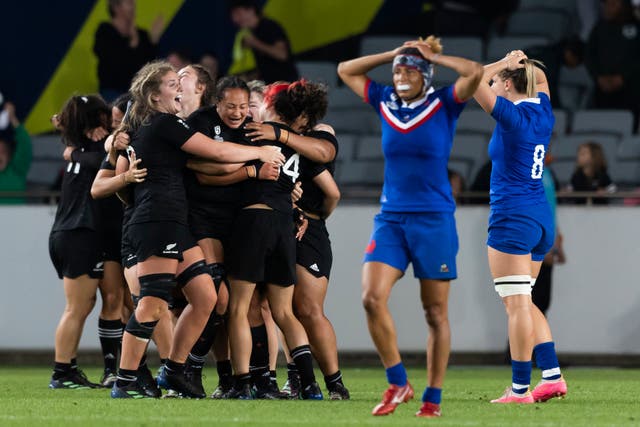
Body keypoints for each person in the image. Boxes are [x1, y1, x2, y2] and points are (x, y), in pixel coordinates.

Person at [109, 61, 284, 398]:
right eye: (172, 83)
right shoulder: (162, 124)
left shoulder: (163, 126)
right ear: (153, 95)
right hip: (156, 220)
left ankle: (174, 370)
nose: (179, 88)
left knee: (208, 296)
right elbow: (215, 151)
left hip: (175, 222)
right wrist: (260, 152)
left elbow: (207, 161)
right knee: (152, 304)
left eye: (180, 82)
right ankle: (125, 381)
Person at [337, 36, 484, 417]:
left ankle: (432, 398)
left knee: (435, 314)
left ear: (425, 75)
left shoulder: (445, 103)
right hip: (391, 218)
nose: (400, 74)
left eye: (408, 69)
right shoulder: (384, 100)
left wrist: (433, 56)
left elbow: (475, 72)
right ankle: (398, 381)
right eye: (397, 70)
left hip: (434, 219)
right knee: (371, 297)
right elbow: (344, 70)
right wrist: (395, 52)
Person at [472, 49, 567, 404]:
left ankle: (520, 389)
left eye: (499, 81)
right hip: (540, 217)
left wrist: (503, 62)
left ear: (508, 84)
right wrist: (523, 64)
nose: (493, 83)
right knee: (524, 302)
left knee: (515, 305)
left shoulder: (510, 116)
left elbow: (471, 80)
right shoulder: (543, 111)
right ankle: (552, 376)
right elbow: (541, 79)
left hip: (513, 217)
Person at [224, 80, 327, 400]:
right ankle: (310, 385)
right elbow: (327, 168)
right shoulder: (301, 143)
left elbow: (220, 164)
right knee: (284, 312)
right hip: (284, 225)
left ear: (272, 106)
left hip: (253, 220)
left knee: (239, 308)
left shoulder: (254, 133)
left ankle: (244, 384)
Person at [48, 95, 112, 390]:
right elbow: (102, 159)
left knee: (81, 305)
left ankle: (67, 369)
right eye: (102, 115)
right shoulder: (94, 153)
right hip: (80, 233)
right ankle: (62, 371)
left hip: (68, 232)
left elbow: (63, 124)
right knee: (77, 306)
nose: (108, 118)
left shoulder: (77, 149)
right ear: (94, 121)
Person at [93, 0, 163, 102]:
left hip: (138, 93)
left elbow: (150, 64)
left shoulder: (142, 34)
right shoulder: (105, 31)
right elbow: (114, 60)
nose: (134, 6)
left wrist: (154, 40)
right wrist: (133, 41)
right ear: (116, 7)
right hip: (112, 92)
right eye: (129, 2)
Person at [585, 0, 640, 127]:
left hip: (631, 92)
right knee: (600, 126)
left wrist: (623, 78)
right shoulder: (600, 27)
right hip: (603, 90)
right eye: (606, 4)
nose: (608, 8)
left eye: (613, 4)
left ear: (624, 6)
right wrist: (598, 77)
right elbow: (589, 55)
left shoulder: (636, 27)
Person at [229, 0, 298, 83]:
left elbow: (282, 54)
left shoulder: (269, 26)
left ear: (251, 10)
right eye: (233, 16)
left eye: (238, 13)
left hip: (285, 85)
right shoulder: (250, 32)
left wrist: (255, 43)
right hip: (269, 85)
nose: (235, 19)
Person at [0, 101, 32, 204]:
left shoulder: (17, 170)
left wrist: (12, 118)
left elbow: (25, 142)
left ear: (9, 155)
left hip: (17, 218)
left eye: (3, 151)